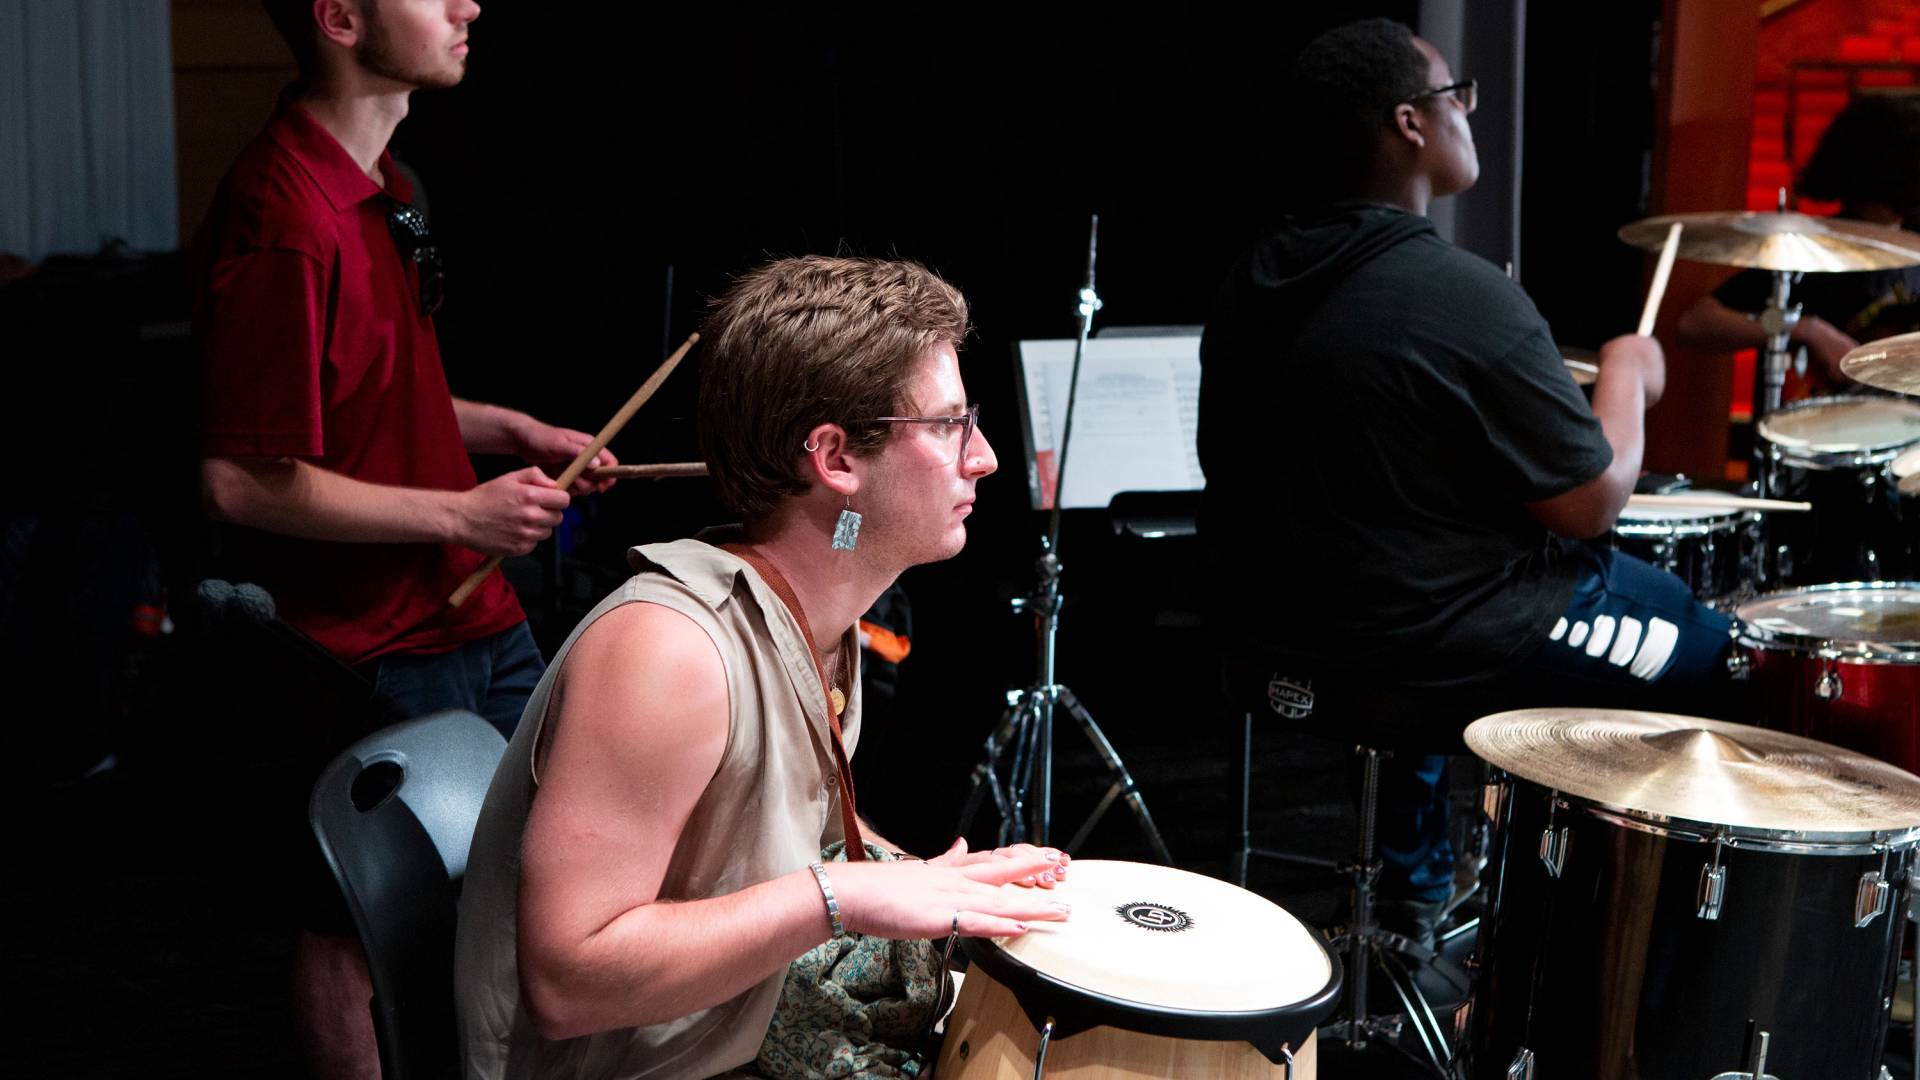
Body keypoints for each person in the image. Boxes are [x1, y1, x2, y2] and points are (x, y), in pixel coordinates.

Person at [454, 255, 1071, 1079]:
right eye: (949, 424)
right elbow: (568, 979)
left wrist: (919, 878)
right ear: (836, 458)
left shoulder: (819, 621)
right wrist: (843, 895)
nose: (985, 456)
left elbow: (764, 837)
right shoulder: (670, 653)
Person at [1197, 19, 1732, 946]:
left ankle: (1416, 891)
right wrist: (1626, 374)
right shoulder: (1458, 292)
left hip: (1281, 637)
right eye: (1460, 96)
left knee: (1430, 574)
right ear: (1410, 124)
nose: (1470, 113)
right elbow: (1592, 501)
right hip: (1425, 644)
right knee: (1713, 647)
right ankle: (1607, 951)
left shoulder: (1256, 277)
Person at [192, 2, 614, 1075]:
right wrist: (464, 512)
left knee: (539, 871)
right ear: (340, 17)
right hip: (370, 643)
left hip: (477, 608)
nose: (468, 4)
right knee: (358, 929)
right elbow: (240, 480)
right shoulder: (281, 212)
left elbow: (377, 394)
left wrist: (507, 431)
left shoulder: (400, 191)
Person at [1675, 92, 1920, 390]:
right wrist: (1804, 329)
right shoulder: (1808, 249)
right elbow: (1695, 323)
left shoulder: (1914, 241)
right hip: (1824, 425)